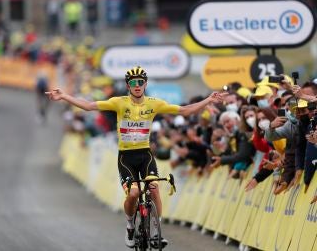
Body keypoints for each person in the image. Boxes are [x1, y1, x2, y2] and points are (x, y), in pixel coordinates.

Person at [45, 66, 225, 248]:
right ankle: (130, 225)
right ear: (128, 86)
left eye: (140, 82)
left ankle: (156, 230)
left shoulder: (154, 104)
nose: (137, 85)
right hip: (126, 157)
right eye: (133, 83)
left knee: (154, 188)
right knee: (134, 192)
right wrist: (64, 96)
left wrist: (208, 100)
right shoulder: (119, 102)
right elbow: (89, 106)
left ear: (145, 84)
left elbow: (185, 111)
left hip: (145, 154)